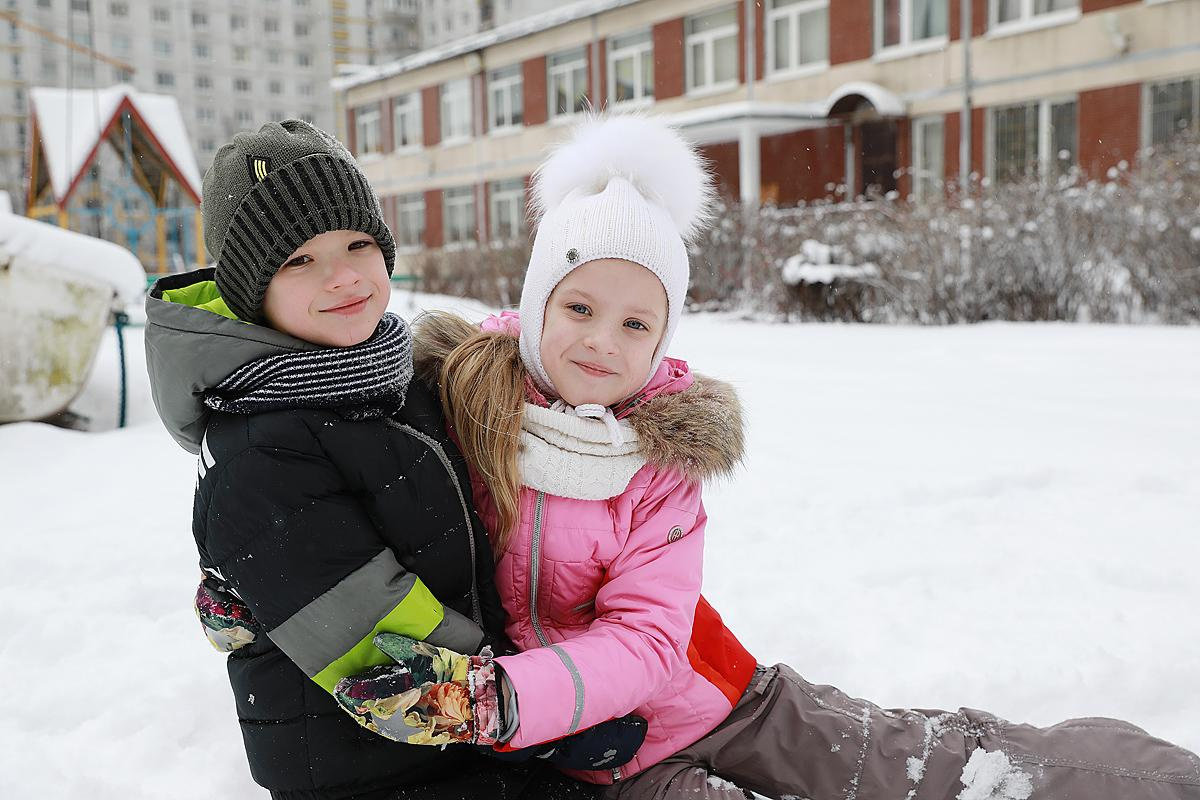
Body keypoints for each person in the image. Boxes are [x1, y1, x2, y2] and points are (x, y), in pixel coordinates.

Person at [332, 114, 1200, 800]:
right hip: (613, 762)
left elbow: (646, 638)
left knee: (936, 770)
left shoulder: (660, 458)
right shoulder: (460, 406)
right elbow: (344, 502)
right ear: (534, 303)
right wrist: (253, 597)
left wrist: (503, 699)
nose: (604, 342)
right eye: (581, 306)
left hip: (726, 700)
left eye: (638, 323)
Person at [145, 119, 631, 799]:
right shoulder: (258, 454)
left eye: (357, 243)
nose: (342, 276)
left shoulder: (385, 379)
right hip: (372, 762)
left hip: (458, 737)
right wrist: (535, 713)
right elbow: (373, 640)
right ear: (250, 290)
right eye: (299, 260)